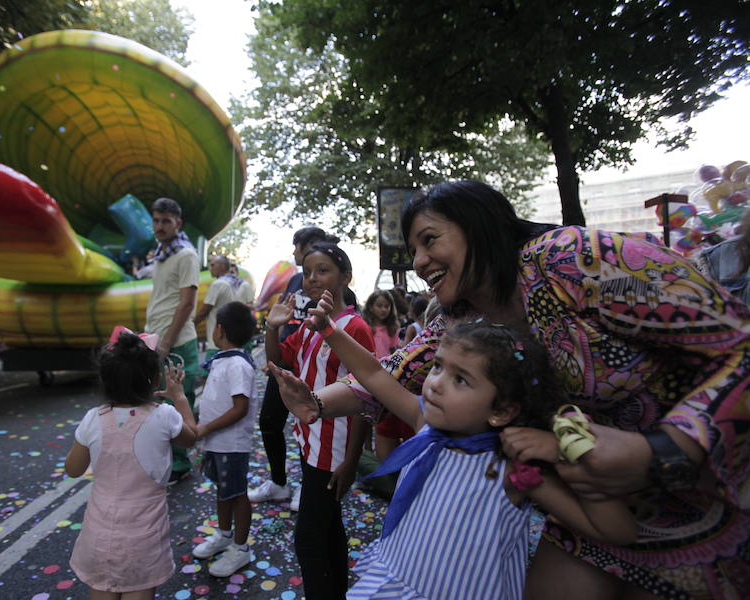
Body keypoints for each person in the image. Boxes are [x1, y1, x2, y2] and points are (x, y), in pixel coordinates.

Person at [274, 180, 750, 599]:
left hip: (711, 492)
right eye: (413, 249)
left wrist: (665, 450)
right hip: (590, 497)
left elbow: (739, 344)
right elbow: (388, 375)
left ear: (480, 227)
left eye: (429, 240)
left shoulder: (574, 259)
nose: (419, 261)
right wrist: (315, 403)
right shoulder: (464, 319)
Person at [273, 307, 637, 598]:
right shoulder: (424, 423)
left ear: (502, 411)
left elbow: (614, 529)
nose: (435, 384)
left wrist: (565, 449)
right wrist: (329, 332)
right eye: (437, 367)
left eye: (460, 379)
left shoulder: (513, 468)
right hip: (395, 582)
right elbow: (373, 372)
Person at [266, 242, 375, 600]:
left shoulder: (354, 327)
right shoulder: (314, 322)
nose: (312, 279)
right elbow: (280, 362)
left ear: (345, 276)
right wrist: (271, 329)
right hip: (311, 441)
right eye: (308, 272)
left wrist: (352, 459)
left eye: (323, 270)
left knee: (308, 539)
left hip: (334, 448)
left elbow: (365, 394)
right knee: (329, 530)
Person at [66, 327, 198, 600]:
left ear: (105, 380)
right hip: (144, 539)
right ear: (155, 378)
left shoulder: (93, 418)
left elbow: (73, 469)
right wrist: (180, 396)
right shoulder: (164, 416)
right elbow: (191, 439)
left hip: (99, 536)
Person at [249, 226, 340, 508]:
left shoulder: (332, 285)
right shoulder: (294, 281)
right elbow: (284, 321)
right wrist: (273, 354)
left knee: (310, 426)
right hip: (284, 368)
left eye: (296, 246)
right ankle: (278, 483)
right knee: (269, 423)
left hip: (315, 370)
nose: (293, 252)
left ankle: (307, 486)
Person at [191, 301, 258, 577]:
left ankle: (241, 549)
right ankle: (224, 535)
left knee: (237, 494)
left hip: (231, 444)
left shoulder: (238, 366)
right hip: (218, 444)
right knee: (223, 489)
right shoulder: (224, 360)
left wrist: (206, 428)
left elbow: (240, 408)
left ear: (219, 330)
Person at [141, 197, 201, 484]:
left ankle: (179, 465)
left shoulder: (186, 255)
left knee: (178, 402)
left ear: (178, 223)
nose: (160, 226)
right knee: (158, 402)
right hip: (157, 339)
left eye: (166, 220)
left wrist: (165, 342)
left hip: (176, 343)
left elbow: (187, 304)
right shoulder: (162, 253)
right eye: (156, 220)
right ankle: (169, 459)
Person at [194, 254, 235, 362]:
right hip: (227, 340)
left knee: (207, 376)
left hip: (215, 343)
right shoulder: (233, 283)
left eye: (212, 265)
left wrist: (191, 325)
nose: (210, 268)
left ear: (222, 267)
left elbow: (204, 311)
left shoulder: (218, 284)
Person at [362, 289, 401, 359]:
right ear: (371, 307)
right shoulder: (365, 327)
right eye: (379, 306)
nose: (384, 309)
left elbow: (393, 350)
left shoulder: (391, 328)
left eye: (387, 306)